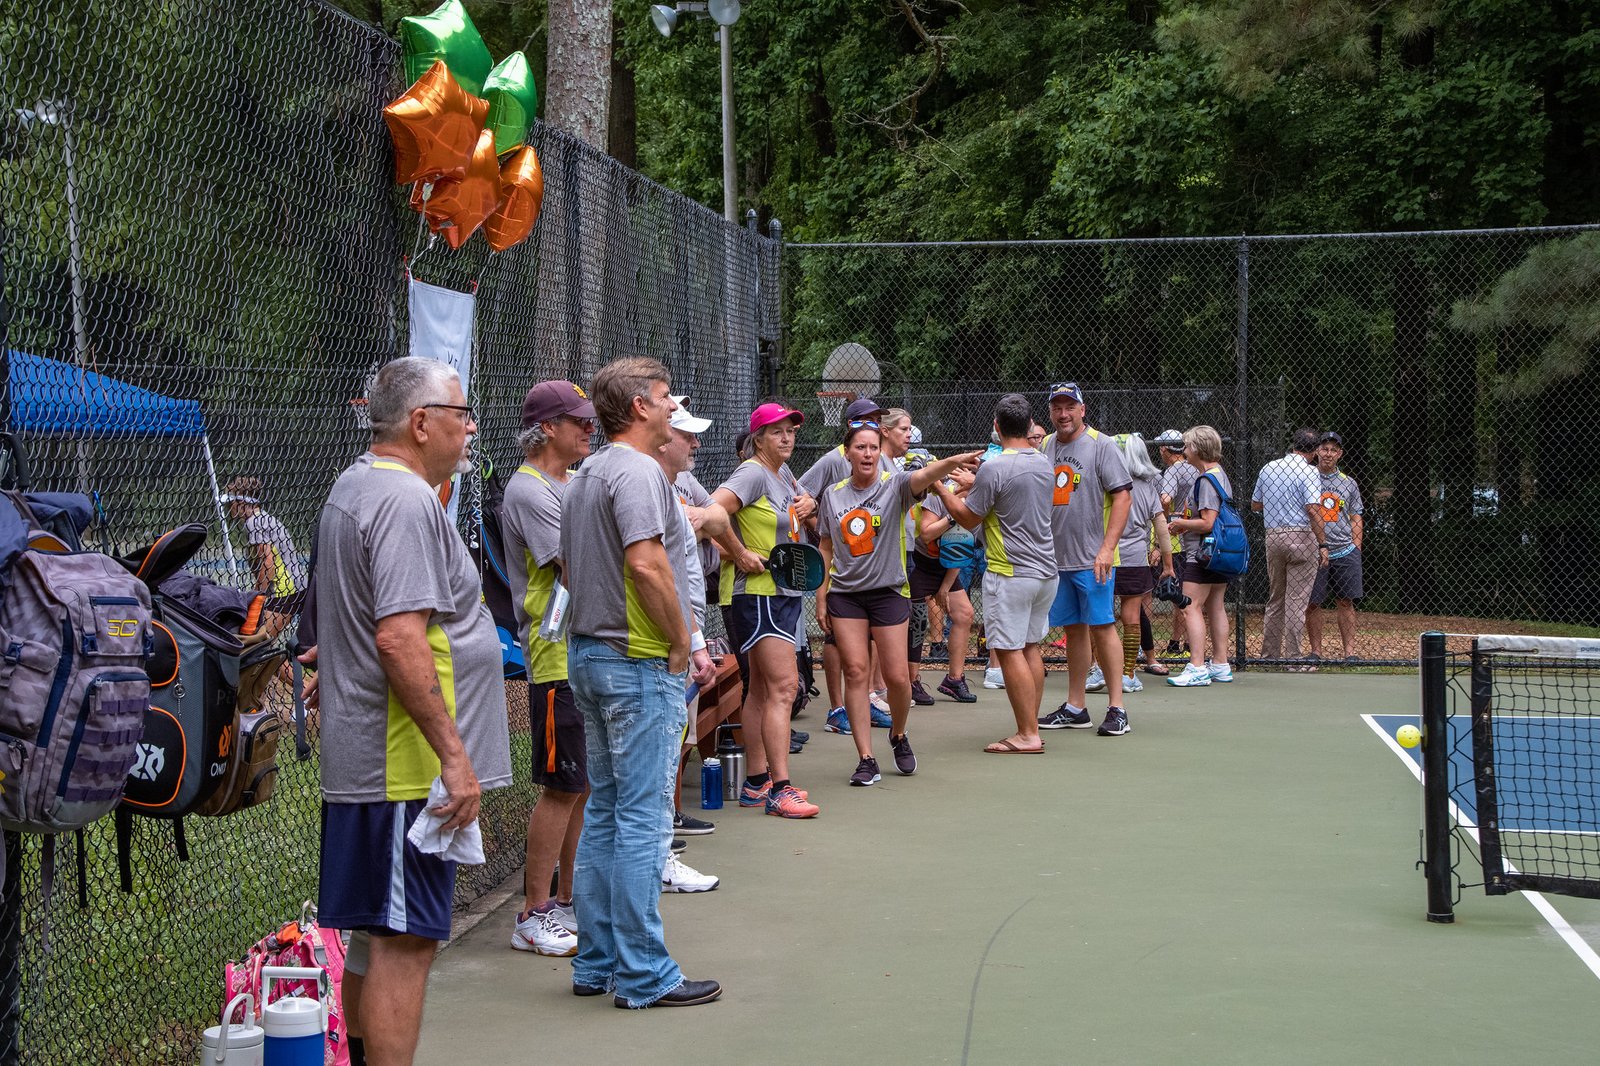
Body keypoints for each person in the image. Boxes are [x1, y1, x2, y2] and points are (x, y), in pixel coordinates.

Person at [315, 356, 512, 1062]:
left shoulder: (358, 485)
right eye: (461, 415)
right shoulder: (400, 501)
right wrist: (454, 759)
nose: (470, 428)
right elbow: (399, 638)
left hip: (375, 760)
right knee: (407, 943)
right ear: (421, 422)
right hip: (399, 767)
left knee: (376, 938)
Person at [560, 356, 721, 1009]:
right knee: (641, 817)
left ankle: (596, 963)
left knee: (605, 809)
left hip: (590, 656)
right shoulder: (637, 473)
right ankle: (645, 973)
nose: (672, 405)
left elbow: (573, 573)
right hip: (636, 661)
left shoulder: (587, 474)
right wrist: (682, 640)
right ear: (637, 409)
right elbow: (648, 564)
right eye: (662, 397)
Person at [816, 419, 979, 783]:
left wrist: (954, 461)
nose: (868, 453)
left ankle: (899, 735)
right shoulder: (833, 495)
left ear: (879, 451)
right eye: (860, 447)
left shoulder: (896, 486)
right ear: (848, 453)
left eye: (873, 447)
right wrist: (821, 595)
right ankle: (866, 758)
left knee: (897, 678)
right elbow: (826, 547)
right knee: (856, 672)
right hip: (846, 595)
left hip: (889, 592)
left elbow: (925, 476)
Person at [500, 380, 594, 957]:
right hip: (554, 655)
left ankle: (564, 899)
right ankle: (532, 913)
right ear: (547, 430)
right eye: (577, 421)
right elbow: (574, 564)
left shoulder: (570, 483)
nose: (589, 429)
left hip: (580, 648)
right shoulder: (530, 491)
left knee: (578, 786)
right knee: (560, 788)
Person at [710, 402, 821, 819]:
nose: (787, 437)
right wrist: (738, 553)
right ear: (758, 438)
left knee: (760, 688)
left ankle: (756, 782)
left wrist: (808, 506)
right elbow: (713, 514)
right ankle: (781, 789)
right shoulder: (753, 472)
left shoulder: (783, 472)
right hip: (758, 594)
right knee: (783, 688)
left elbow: (798, 511)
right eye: (777, 431)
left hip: (781, 594)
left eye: (791, 429)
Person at [933, 394, 1056, 754]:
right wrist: (977, 482)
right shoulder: (1043, 462)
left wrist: (941, 487)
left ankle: (1027, 734)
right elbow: (1008, 498)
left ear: (997, 427)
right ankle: (1030, 726)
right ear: (1029, 424)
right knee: (1030, 646)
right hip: (1045, 572)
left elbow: (969, 518)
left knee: (1008, 650)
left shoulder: (996, 467)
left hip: (1010, 572)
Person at [657, 396, 734, 865]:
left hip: (687, 633)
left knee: (677, 737)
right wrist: (685, 643)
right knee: (657, 750)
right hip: (660, 642)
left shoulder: (682, 479)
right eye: (686, 433)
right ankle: (659, 848)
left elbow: (721, 517)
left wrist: (700, 519)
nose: (695, 442)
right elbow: (652, 573)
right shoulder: (640, 482)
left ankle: (668, 828)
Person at [1035, 383, 1134, 738]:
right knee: (1074, 630)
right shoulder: (1045, 446)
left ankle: (1117, 708)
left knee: (1103, 627)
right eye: (1056, 408)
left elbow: (1123, 498)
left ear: (1082, 409)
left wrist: (1107, 548)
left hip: (1095, 560)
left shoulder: (1101, 445)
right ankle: (1076, 707)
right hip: (1057, 560)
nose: (1063, 414)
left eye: (1069, 407)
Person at [799, 397, 895, 731]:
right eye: (868, 418)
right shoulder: (831, 461)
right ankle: (837, 710)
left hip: (871, 570)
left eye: (878, 420)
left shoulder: (880, 461)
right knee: (834, 639)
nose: (875, 423)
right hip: (841, 571)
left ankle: (864, 700)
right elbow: (800, 492)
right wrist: (820, 528)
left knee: (864, 642)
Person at [1166, 425, 1236, 687]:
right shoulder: (1220, 475)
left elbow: (1207, 522)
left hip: (1202, 554)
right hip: (1219, 554)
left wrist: (1181, 525)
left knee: (1189, 606)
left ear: (1196, 448)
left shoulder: (1205, 480)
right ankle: (1220, 664)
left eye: (1186, 446)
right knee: (1215, 605)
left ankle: (1197, 666)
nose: (1184, 451)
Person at [1251, 427, 1327, 662]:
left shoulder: (1269, 468)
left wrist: (1279, 505)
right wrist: (1323, 544)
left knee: (1276, 598)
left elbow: (1256, 505)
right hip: (1302, 535)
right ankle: (1293, 658)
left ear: (1293, 444)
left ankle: (1269, 656)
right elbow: (1313, 509)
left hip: (1273, 536)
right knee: (1296, 600)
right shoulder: (1309, 472)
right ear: (1314, 452)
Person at [1109, 433, 1173, 692]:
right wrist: (1167, 565)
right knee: (1132, 615)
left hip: (1104, 557)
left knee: (1099, 617)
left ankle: (1097, 669)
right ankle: (1127, 674)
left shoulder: (1105, 484)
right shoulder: (1147, 487)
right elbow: (1161, 527)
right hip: (1134, 559)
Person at [909, 467, 979, 703]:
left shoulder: (978, 506)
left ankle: (954, 680)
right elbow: (926, 535)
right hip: (918, 563)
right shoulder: (937, 495)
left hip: (946, 566)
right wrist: (953, 515)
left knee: (964, 614)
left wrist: (945, 587)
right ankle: (911, 682)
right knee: (917, 622)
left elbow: (961, 551)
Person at [1304, 431, 1364, 660]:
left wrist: (1356, 545)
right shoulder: (1307, 478)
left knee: (1345, 601)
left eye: (1333, 450)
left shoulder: (1348, 483)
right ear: (1317, 451)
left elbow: (1356, 514)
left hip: (1344, 549)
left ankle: (1350, 653)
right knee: (1313, 603)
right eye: (1324, 448)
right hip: (1315, 549)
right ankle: (1315, 652)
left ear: (1339, 454)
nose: (1328, 454)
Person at [221, 476, 301, 597]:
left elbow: (268, 563)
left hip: (283, 588)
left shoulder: (253, 523)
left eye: (231, 502)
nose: (229, 507)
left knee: (255, 615)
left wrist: (257, 595)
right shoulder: (261, 518)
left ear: (241, 502)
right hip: (293, 585)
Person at [1152, 429, 1194, 661]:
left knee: (1177, 593)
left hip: (1176, 537)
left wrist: (1164, 519)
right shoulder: (1195, 466)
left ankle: (1183, 644)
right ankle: (1179, 643)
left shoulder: (1173, 470)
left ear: (1166, 450)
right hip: (1195, 533)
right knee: (1188, 592)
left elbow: (1165, 499)